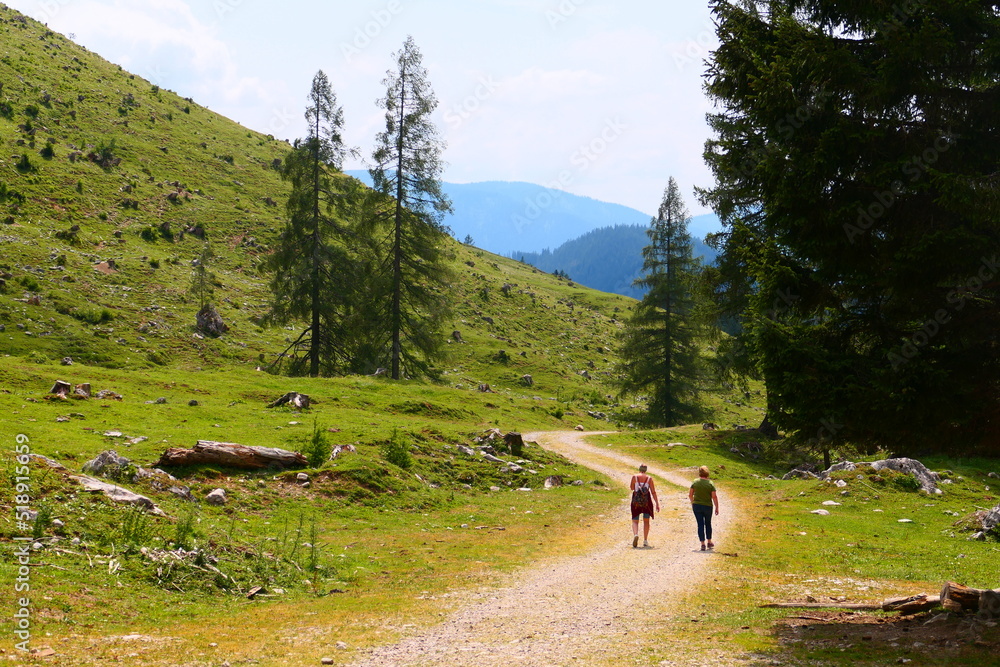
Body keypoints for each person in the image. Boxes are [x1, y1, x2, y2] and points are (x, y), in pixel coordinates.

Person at [688, 465, 719, 550]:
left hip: (697, 506)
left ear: (699, 473)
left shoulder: (695, 482)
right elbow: (714, 496)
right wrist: (717, 507)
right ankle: (709, 541)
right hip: (708, 506)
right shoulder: (710, 483)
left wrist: (693, 502)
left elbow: (690, 494)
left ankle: (702, 543)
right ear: (707, 473)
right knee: (708, 523)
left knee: (700, 524)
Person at [630, 464, 659, 548]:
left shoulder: (634, 477)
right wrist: (657, 503)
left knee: (635, 520)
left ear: (639, 469)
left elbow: (632, 488)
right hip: (646, 501)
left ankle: (636, 534)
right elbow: (653, 492)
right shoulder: (649, 478)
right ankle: (645, 540)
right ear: (646, 470)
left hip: (636, 501)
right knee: (646, 521)